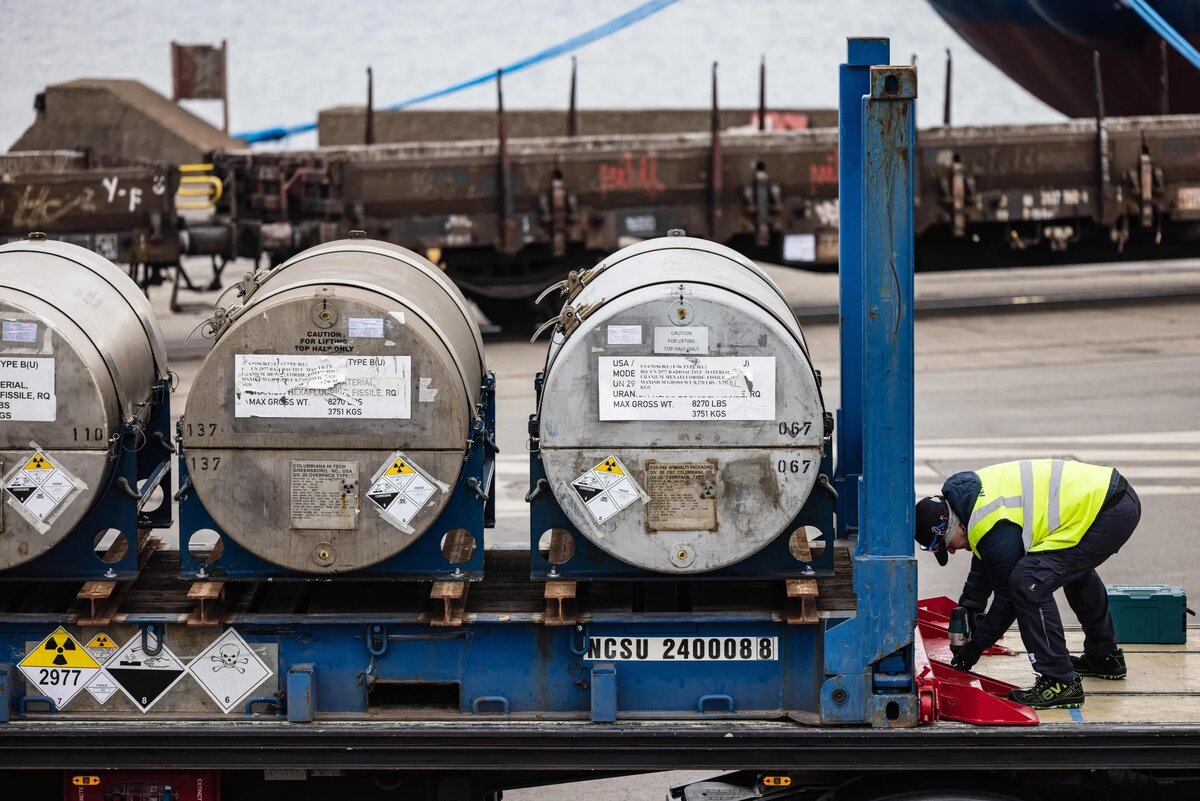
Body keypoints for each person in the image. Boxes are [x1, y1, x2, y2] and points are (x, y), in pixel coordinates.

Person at [913, 459, 1141, 709]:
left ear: (951, 526)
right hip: (1108, 498)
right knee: (1068, 570)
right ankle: (1104, 656)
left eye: (947, 545)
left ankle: (1059, 681)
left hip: (1108, 511)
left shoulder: (987, 523)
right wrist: (971, 607)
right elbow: (986, 557)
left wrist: (976, 646)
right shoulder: (970, 501)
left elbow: (1008, 599)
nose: (953, 552)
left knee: (1028, 582)